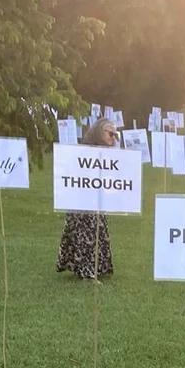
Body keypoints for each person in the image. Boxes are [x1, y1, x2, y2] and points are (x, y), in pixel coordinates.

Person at [56, 117, 118, 280]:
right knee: (86, 235)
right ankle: (87, 272)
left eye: (115, 133)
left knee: (99, 233)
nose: (113, 136)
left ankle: (98, 268)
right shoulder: (85, 151)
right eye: (109, 132)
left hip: (97, 202)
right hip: (82, 202)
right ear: (99, 132)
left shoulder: (111, 154)